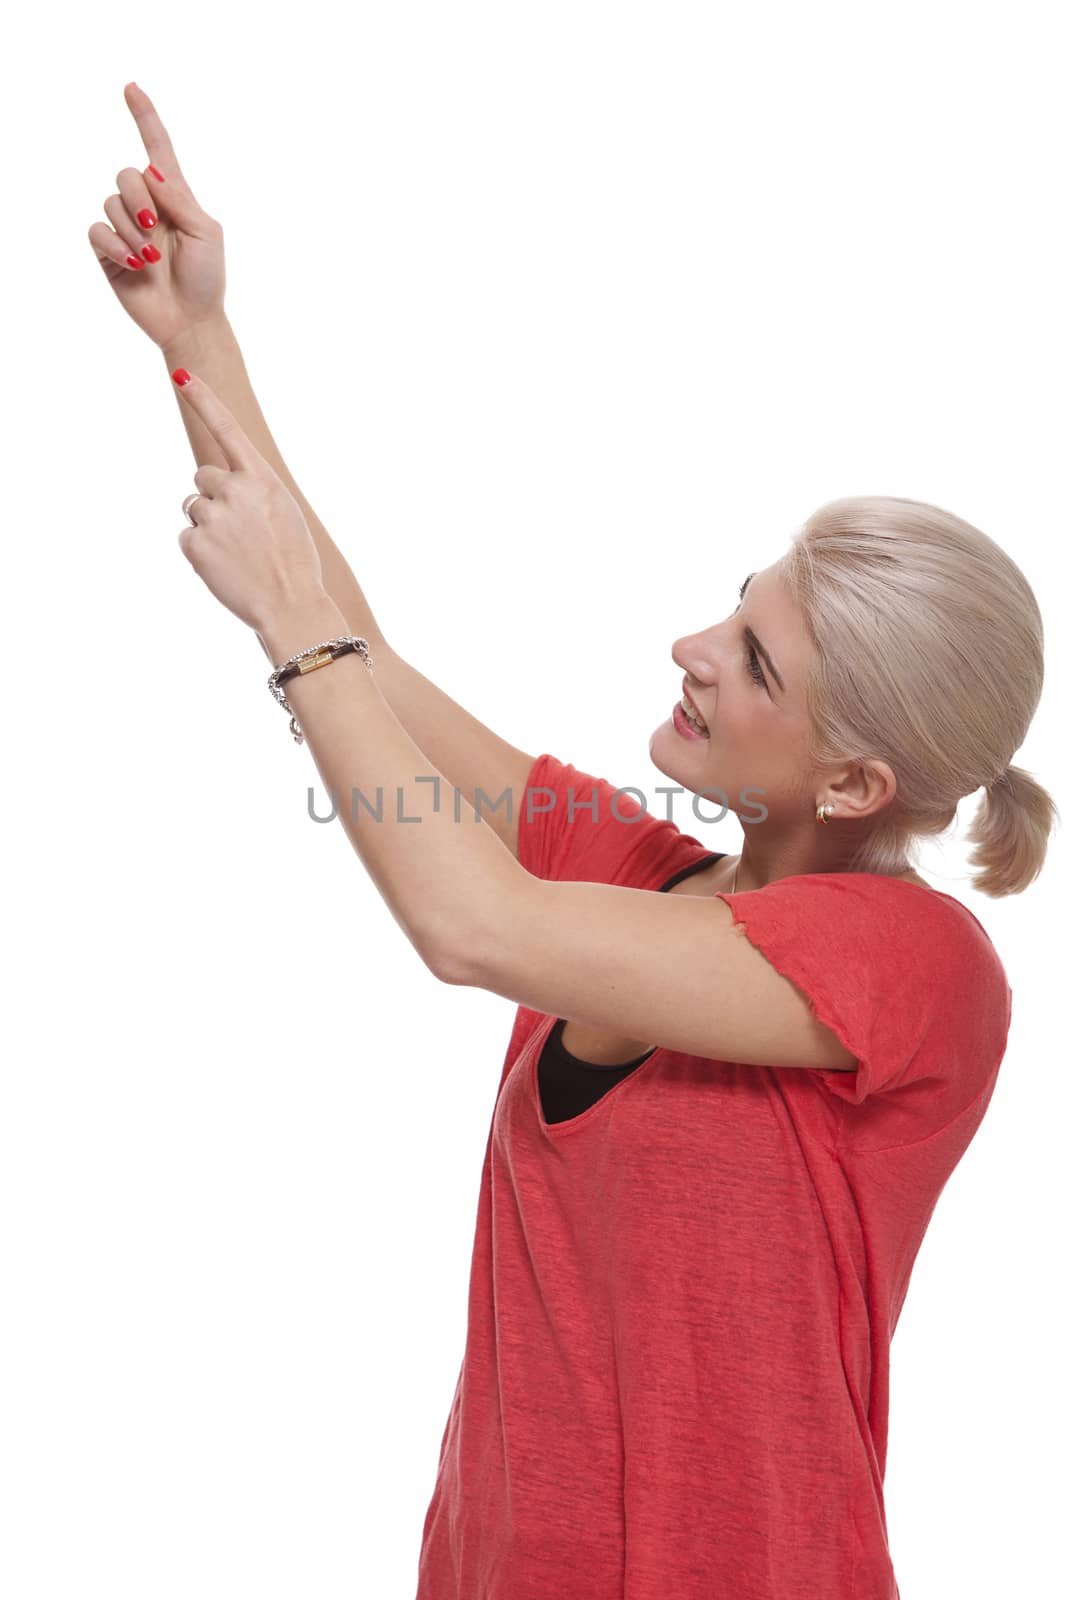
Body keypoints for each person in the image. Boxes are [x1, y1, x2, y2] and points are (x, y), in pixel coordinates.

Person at [92, 84, 1058, 1600]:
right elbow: (375, 673)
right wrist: (196, 339)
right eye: (735, 602)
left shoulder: (919, 966)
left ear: (860, 782)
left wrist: (289, 632)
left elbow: (468, 925)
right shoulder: (651, 877)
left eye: (751, 661)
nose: (689, 645)